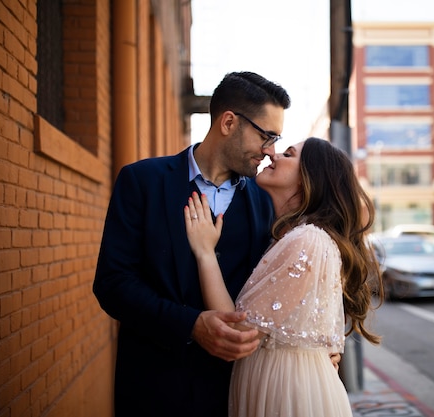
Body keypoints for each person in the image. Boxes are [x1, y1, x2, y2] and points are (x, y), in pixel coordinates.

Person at [93, 71, 292, 417]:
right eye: (266, 136)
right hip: (153, 391)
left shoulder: (265, 202)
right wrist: (190, 325)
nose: (270, 151)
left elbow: (280, 293)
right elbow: (112, 284)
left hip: (236, 393)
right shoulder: (142, 181)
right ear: (229, 122)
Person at [185, 137, 384, 417]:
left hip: (289, 393)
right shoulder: (295, 236)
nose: (273, 155)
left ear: (307, 179)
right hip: (281, 383)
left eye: (289, 154)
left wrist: (205, 253)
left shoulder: (307, 240)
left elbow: (238, 332)